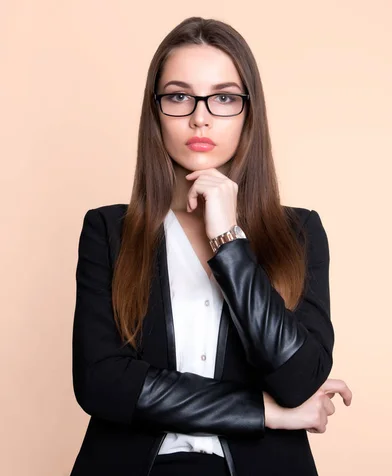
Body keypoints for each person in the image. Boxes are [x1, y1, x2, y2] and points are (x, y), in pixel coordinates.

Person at [70, 16, 352, 476]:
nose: (200, 116)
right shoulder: (109, 230)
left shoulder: (299, 233)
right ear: (156, 111)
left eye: (223, 98)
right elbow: (101, 384)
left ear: (248, 112)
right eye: (179, 96)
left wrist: (228, 241)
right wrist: (264, 412)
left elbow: (300, 377)